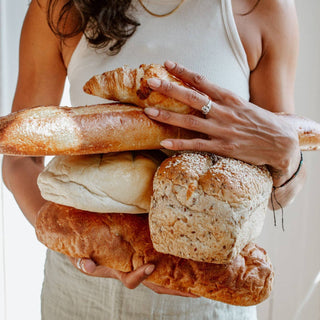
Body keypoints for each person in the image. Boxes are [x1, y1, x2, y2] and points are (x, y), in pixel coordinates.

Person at [2, 0, 306, 319]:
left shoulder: (263, 8)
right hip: (80, 285)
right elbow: (19, 158)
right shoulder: (61, 6)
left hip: (206, 289)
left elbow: (274, 189)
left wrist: (289, 163)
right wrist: (77, 240)